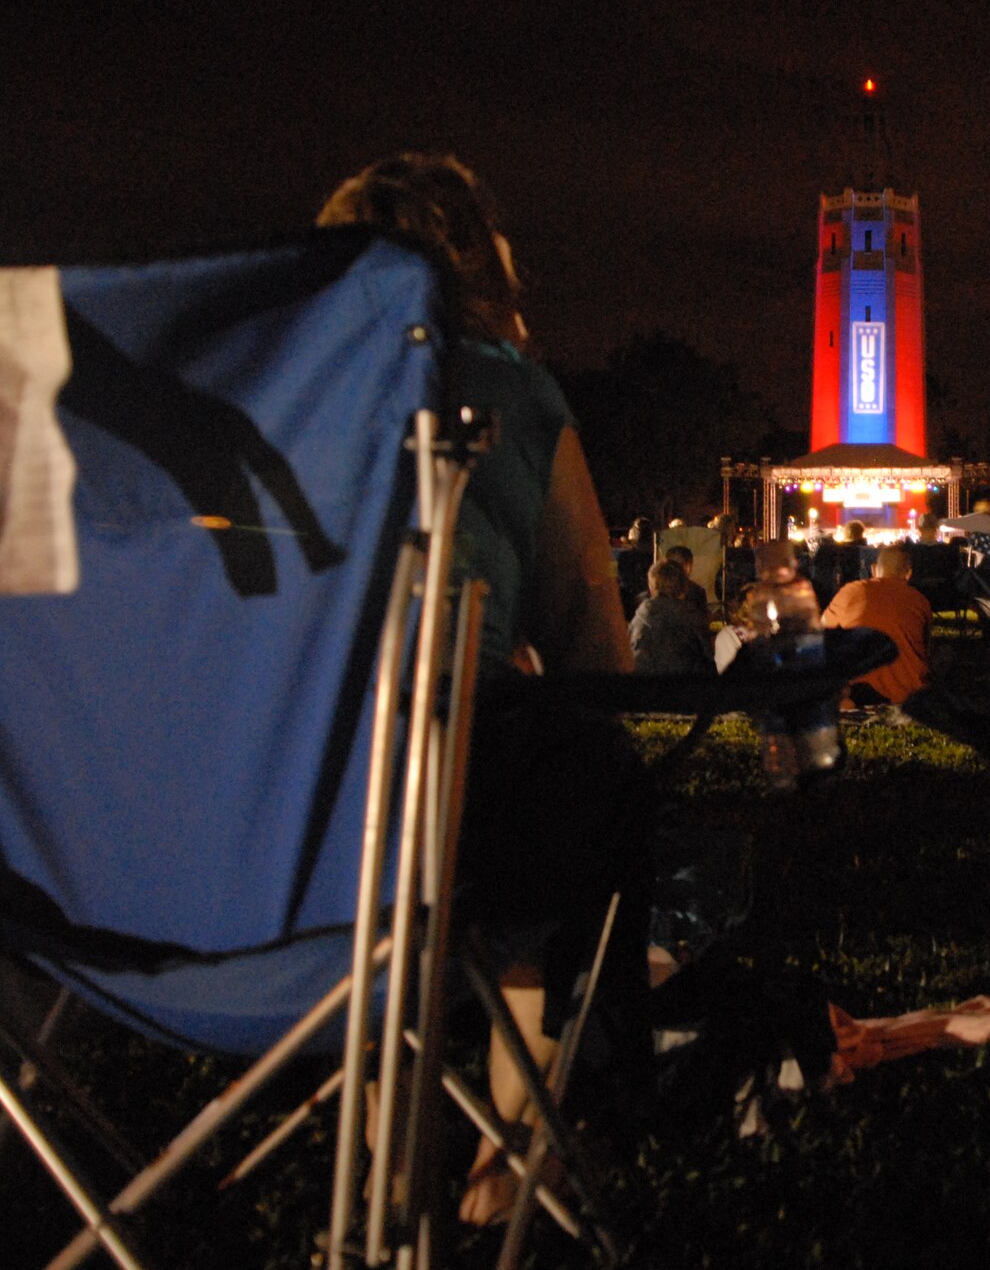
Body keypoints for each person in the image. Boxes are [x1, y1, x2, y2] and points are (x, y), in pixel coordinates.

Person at [317, 153, 644, 1226]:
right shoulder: (507, 392)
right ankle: (518, 1145)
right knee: (573, 775)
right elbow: (592, 641)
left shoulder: (261, 395)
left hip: (255, 837)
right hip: (447, 809)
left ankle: (384, 1153)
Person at [820, 544, 932, 705]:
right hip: (907, 695)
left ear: (873, 569)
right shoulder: (919, 601)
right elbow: (926, 649)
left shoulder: (851, 591)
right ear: (909, 574)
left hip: (856, 691)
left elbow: (822, 631)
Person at [629, 559, 712, 674]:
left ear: (651, 588)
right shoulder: (694, 621)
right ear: (684, 588)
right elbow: (707, 662)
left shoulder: (637, 621)